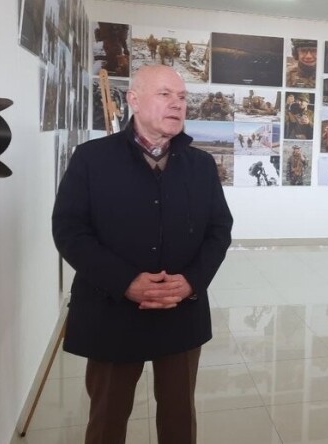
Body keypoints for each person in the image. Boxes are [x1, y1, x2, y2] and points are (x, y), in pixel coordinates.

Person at [52, 65, 233, 444]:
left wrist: (192, 281)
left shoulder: (200, 165)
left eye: (182, 97)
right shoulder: (91, 159)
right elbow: (70, 231)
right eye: (165, 94)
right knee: (107, 419)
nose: (177, 104)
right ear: (133, 100)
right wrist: (125, 282)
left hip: (180, 312)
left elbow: (219, 230)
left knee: (179, 419)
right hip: (112, 312)